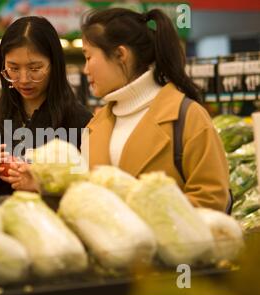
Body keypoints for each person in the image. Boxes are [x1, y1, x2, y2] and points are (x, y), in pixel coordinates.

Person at [80, 8, 230, 212]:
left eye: (88, 57)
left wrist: (143, 212)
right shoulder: (94, 126)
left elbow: (213, 200)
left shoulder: (188, 117)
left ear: (120, 54)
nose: (85, 69)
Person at [0, 16, 92, 195]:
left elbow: (87, 185)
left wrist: (42, 184)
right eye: (13, 68)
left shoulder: (79, 121)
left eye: (35, 69)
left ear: (54, 65)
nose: (24, 79)